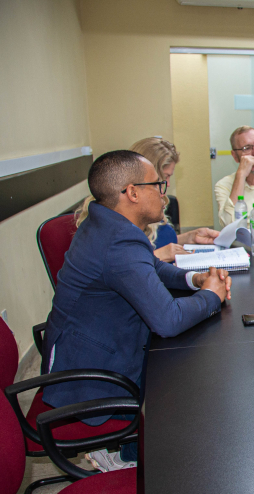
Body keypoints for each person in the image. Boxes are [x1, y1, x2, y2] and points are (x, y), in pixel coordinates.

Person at [43, 150, 233, 471]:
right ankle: (121, 456)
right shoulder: (118, 241)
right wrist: (211, 296)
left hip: (94, 349)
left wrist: (194, 279)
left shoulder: (109, 224)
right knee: (196, 392)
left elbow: (153, 268)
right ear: (132, 192)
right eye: (157, 185)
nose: (164, 193)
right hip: (93, 381)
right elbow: (168, 321)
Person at [75, 137, 220, 263]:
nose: (167, 184)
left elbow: (154, 241)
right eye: (164, 177)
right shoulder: (117, 214)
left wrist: (189, 237)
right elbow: (123, 263)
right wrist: (160, 255)